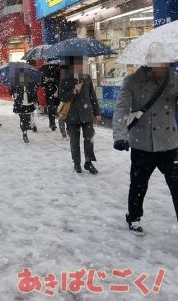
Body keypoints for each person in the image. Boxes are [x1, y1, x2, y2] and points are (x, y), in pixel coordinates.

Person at [113, 63, 178, 235]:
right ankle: (134, 217)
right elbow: (121, 109)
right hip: (142, 143)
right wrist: (120, 136)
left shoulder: (175, 79)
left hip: (169, 143)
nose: (162, 68)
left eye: (165, 64)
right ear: (149, 62)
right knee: (139, 184)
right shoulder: (132, 81)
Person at [59, 56, 101, 174]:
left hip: (87, 115)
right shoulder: (65, 79)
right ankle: (76, 163)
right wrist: (73, 91)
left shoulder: (86, 78)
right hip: (72, 116)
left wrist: (97, 112)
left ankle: (88, 162)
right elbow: (61, 96)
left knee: (89, 139)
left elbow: (92, 96)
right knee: (74, 141)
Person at [10, 71, 37, 143]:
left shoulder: (31, 83)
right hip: (20, 104)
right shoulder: (16, 84)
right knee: (22, 119)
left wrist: (35, 101)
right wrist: (13, 95)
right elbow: (11, 91)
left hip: (29, 104)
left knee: (27, 119)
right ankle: (24, 133)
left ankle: (26, 128)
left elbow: (34, 93)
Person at [41, 64, 67, 138]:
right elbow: (42, 83)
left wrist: (52, 82)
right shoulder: (46, 70)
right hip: (50, 93)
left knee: (58, 108)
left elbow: (60, 81)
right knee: (52, 108)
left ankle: (56, 123)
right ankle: (52, 123)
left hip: (58, 92)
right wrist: (49, 82)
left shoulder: (58, 69)